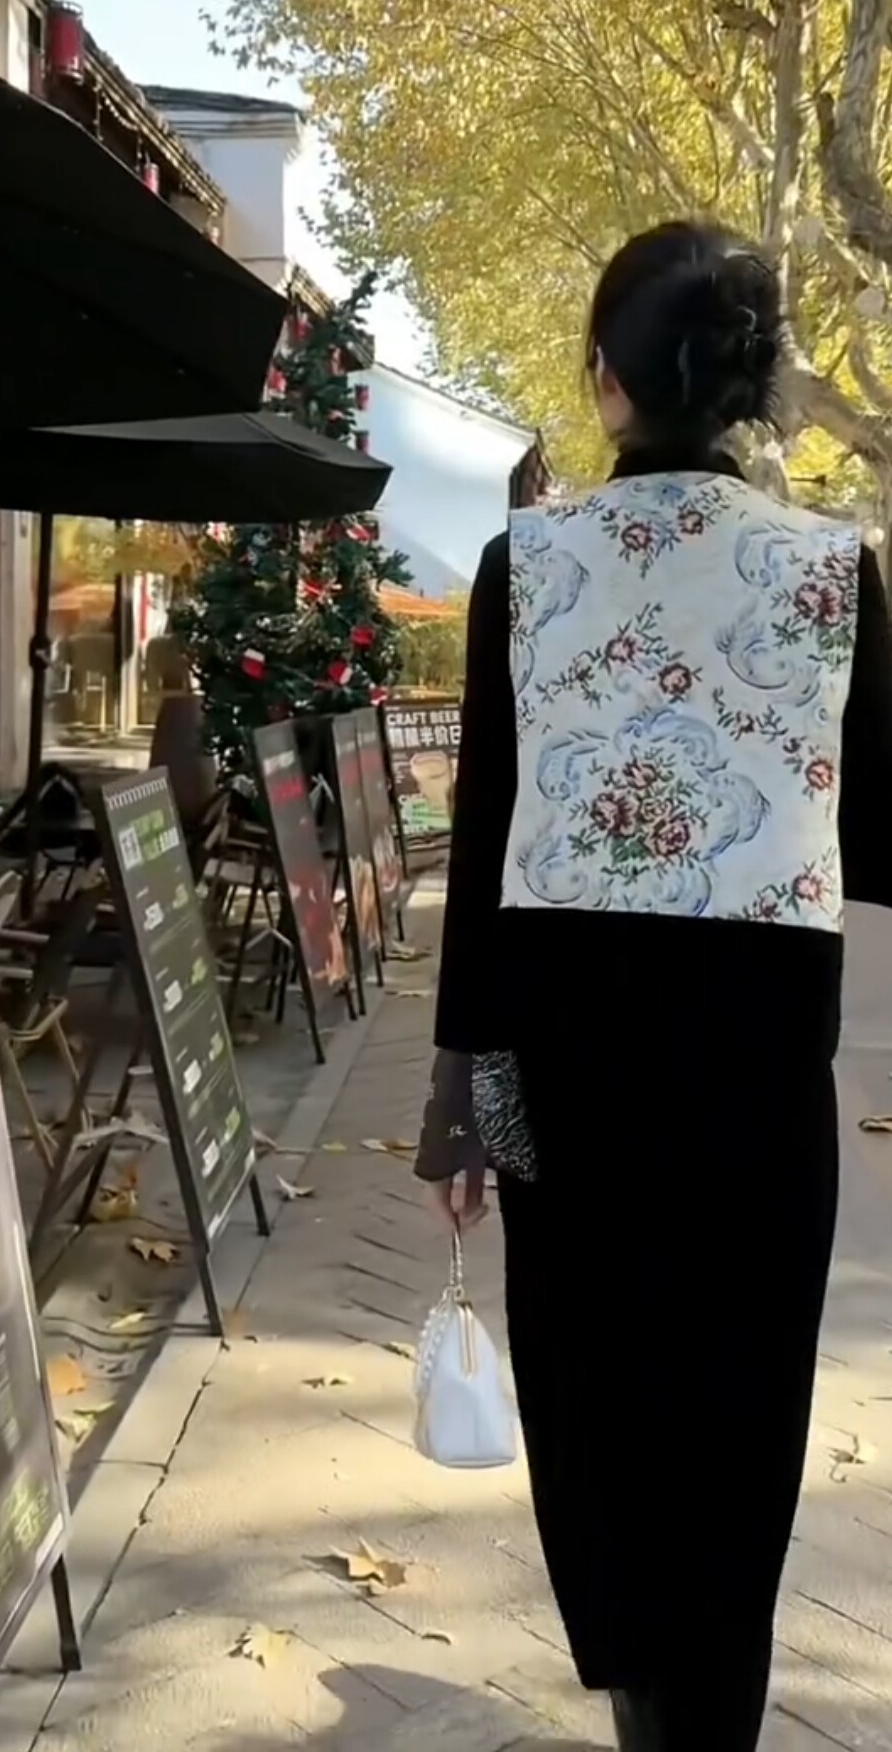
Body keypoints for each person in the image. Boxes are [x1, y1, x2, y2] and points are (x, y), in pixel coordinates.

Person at [415, 220, 892, 1752]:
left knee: (596, 1417)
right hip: (761, 1096)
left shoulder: (524, 567)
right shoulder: (837, 573)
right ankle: (707, 1718)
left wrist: (464, 1098)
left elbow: (485, 845)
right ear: (753, 386)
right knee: (738, 1440)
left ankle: (639, 1693)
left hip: (563, 1091)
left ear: (603, 377)